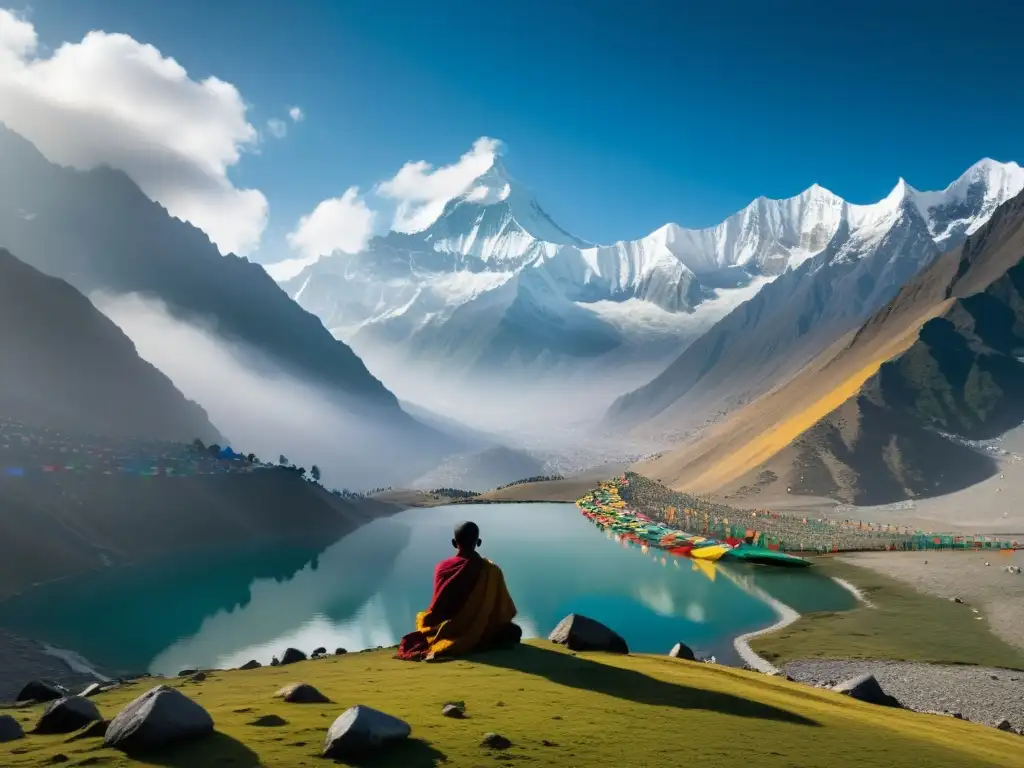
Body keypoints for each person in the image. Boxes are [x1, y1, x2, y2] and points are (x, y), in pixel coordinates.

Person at [395, 521, 522, 661]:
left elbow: (438, 606)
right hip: (476, 628)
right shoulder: (491, 570)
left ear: (454, 543)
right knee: (514, 632)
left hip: (443, 627)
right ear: (478, 542)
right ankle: (475, 642)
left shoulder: (442, 567)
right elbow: (503, 611)